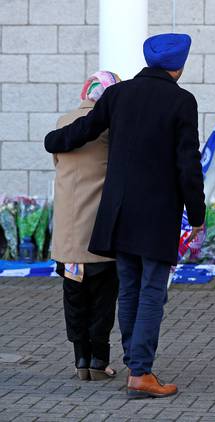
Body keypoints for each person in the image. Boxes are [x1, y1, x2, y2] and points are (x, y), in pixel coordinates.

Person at [44, 33, 206, 399]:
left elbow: (83, 131)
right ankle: (141, 372)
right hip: (156, 214)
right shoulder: (182, 101)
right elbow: (187, 163)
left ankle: (136, 363)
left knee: (130, 288)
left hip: (116, 212)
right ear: (179, 66)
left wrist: (51, 141)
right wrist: (196, 214)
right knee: (151, 291)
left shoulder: (118, 94)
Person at [53, 71, 122, 382]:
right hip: (100, 229)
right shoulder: (111, 127)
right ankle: (99, 359)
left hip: (68, 232)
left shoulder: (62, 122)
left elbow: (59, 164)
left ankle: (79, 357)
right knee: (103, 296)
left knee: (74, 294)